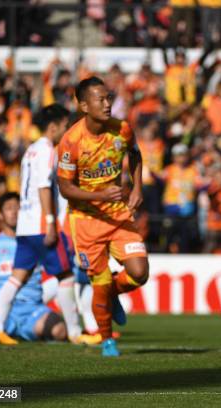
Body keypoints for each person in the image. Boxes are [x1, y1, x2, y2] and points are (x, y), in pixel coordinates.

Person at [0, 104, 97, 346]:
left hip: (25, 227)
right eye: (65, 126)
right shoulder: (48, 150)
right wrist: (50, 222)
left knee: (17, 277)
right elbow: (43, 187)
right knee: (66, 275)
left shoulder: (30, 151)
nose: (67, 131)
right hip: (40, 224)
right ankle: (75, 333)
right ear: (53, 127)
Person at [57, 76, 149, 357]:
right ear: (84, 105)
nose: (108, 104)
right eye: (101, 99)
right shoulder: (71, 141)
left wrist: (137, 187)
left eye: (109, 97)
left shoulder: (121, 130)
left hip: (118, 214)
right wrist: (98, 196)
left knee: (139, 272)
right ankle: (107, 340)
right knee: (99, 280)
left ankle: (110, 294)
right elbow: (65, 188)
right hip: (86, 221)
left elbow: (135, 154)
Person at [0, 192, 67, 343]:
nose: (14, 212)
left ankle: (21, 332)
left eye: (18, 207)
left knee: (60, 331)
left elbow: (57, 269)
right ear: (1, 215)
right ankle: (6, 330)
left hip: (32, 310)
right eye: (9, 208)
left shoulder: (38, 241)